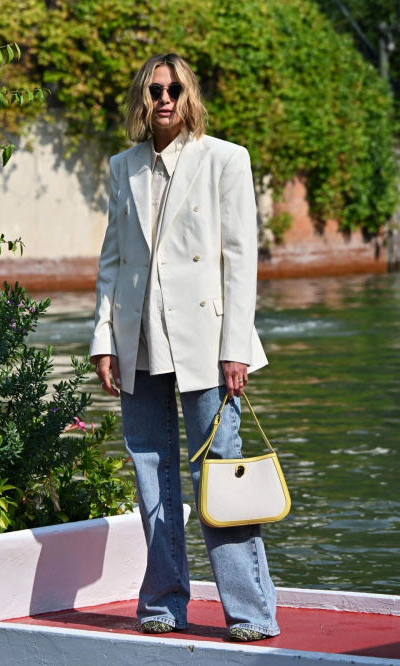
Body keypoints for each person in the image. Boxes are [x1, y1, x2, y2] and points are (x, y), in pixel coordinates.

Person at [89, 53, 279, 642]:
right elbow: (113, 260)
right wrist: (104, 340)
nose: (163, 99)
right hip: (139, 342)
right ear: (141, 99)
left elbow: (239, 261)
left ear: (187, 94)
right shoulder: (124, 167)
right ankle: (165, 601)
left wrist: (236, 349)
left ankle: (250, 612)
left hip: (209, 343)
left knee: (221, 471)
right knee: (151, 470)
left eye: (172, 89)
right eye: (153, 90)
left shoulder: (226, 159)